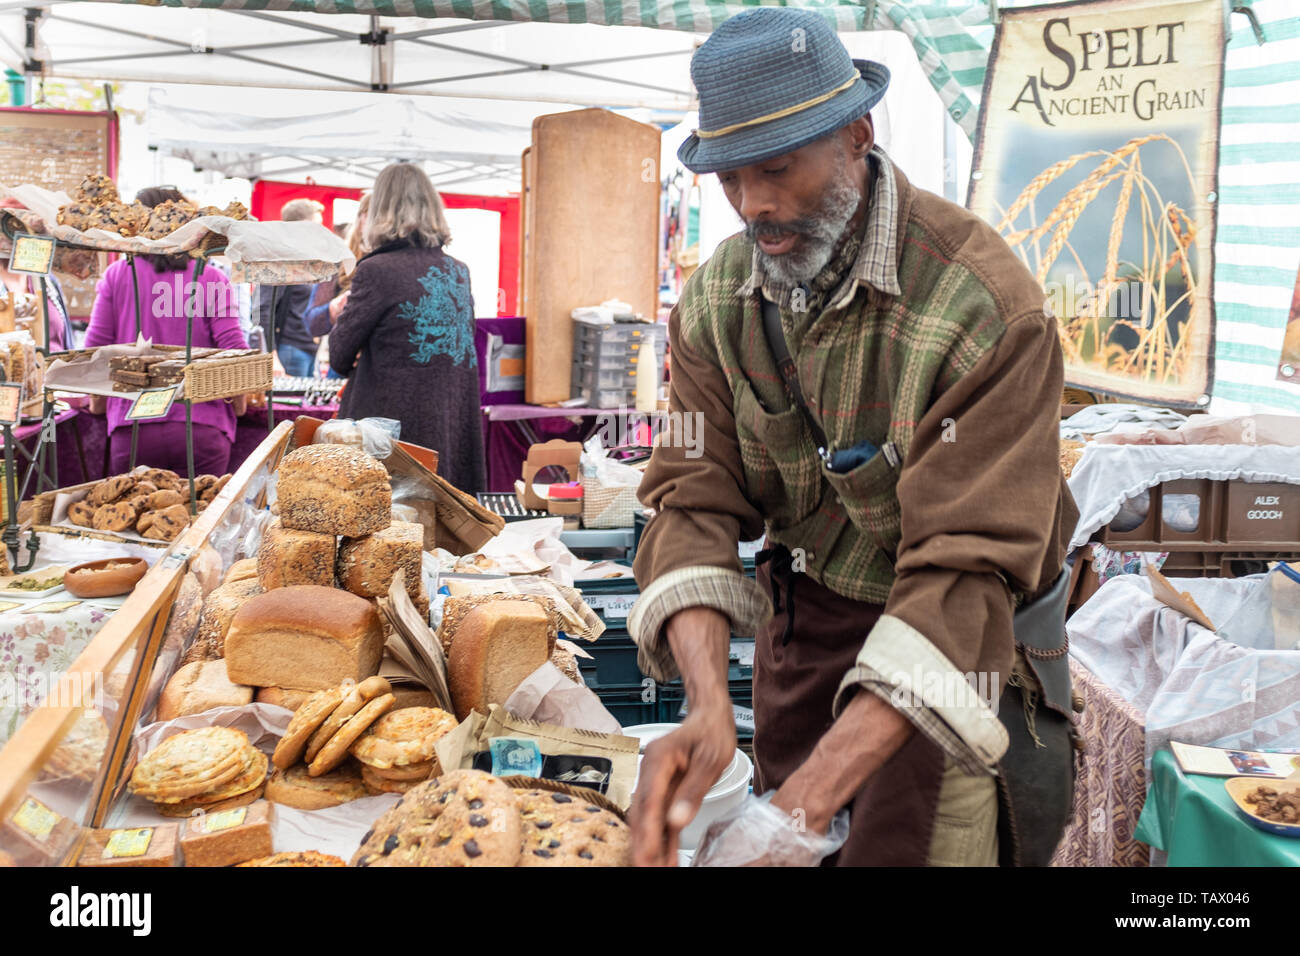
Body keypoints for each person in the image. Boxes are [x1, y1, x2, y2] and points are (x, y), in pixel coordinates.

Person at [627, 9, 1079, 867]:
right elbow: (690, 494)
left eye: (776, 168)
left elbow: (963, 575)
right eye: (729, 178)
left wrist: (801, 807)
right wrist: (706, 705)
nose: (754, 205)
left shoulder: (984, 308)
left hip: (955, 660)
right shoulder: (716, 303)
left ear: (858, 136)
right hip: (806, 642)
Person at [329, 164, 485, 492]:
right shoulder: (458, 270)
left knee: (391, 532)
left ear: (380, 212)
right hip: (449, 427)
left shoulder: (377, 269)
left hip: (394, 437)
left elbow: (340, 356)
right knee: (442, 534)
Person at [83, 187, 250, 475]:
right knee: (202, 518)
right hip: (202, 426)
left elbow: (95, 350)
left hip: (133, 427)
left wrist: (97, 404)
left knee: (134, 516)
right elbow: (233, 348)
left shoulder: (117, 275)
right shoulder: (210, 276)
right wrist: (239, 405)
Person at [256, 197, 324, 378]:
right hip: (289, 350)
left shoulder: (305, 259)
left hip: (306, 349)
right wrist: (271, 355)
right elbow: (263, 309)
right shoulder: (279, 259)